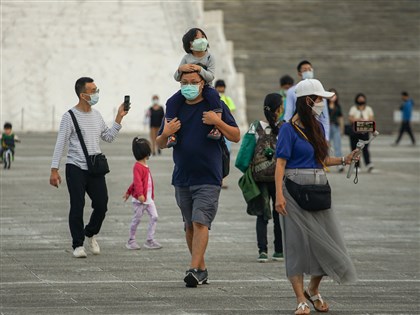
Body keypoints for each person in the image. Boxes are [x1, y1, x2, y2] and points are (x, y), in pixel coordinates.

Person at [275, 79, 357, 315]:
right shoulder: (288, 129)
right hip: (294, 190)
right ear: (308, 101)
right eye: (319, 99)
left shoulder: (318, 127)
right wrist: (279, 195)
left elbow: (321, 160)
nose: (322, 103)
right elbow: (280, 164)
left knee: (328, 243)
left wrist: (345, 159)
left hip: (319, 188)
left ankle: (313, 288)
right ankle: (300, 298)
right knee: (296, 245)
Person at [156, 70, 240, 288]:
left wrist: (217, 122)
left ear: (203, 84)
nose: (189, 86)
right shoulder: (175, 107)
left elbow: (235, 135)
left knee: (200, 221)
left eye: (194, 82)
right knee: (189, 225)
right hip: (182, 176)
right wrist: (166, 133)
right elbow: (160, 143)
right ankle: (201, 269)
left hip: (209, 176)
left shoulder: (215, 106)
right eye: (185, 82)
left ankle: (193, 269)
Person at [50, 77, 128, 258]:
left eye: (96, 89)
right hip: (75, 167)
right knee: (77, 205)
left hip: (95, 168)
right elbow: (60, 144)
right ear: (82, 95)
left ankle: (90, 233)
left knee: (102, 205)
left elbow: (108, 137)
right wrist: (54, 169)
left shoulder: (97, 115)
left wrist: (119, 117)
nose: (96, 93)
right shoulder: (69, 117)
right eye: (93, 91)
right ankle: (77, 244)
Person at [236, 93, 284, 262]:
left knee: (262, 215)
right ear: (279, 109)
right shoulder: (285, 127)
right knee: (280, 213)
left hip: (260, 178)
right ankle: (279, 250)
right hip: (279, 178)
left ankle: (262, 251)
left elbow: (243, 156)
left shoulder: (255, 127)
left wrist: (250, 171)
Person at [166, 28, 223, 147]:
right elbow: (177, 77)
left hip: (205, 87)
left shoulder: (210, 58)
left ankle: (216, 127)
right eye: (197, 38)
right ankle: (172, 134)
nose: (201, 40)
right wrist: (180, 69)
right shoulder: (186, 58)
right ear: (190, 44)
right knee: (171, 102)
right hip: (188, 87)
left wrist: (200, 69)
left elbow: (211, 77)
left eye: (202, 37)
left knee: (214, 96)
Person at [124, 137, 162, 250]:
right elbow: (137, 182)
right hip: (140, 200)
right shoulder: (138, 166)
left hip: (149, 199)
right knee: (137, 219)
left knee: (154, 216)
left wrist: (128, 191)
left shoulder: (145, 166)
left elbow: (137, 182)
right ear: (146, 152)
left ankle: (150, 240)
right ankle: (131, 240)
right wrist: (138, 194)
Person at [284, 60, 330, 140]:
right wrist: (288, 130)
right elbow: (288, 113)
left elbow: (324, 118)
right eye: (305, 70)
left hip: (316, 131)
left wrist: (326, 138)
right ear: (299, 73)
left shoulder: (320, 90)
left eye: (310, 69)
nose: (308, 71)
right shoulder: (292, 91)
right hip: (298, 129)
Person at [348, 93, 375, 172]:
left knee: (366, 148)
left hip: (365, 131)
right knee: (355, 149)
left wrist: (364, 121)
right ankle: (356, 165)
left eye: (362, 99)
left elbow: (371, 119)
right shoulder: (353, 108)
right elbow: (350, 118)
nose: (361, 100)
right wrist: (359, 120)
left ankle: (368, 164)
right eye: (359, 99)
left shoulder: (368, 109)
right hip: (355, 132)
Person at [327, 88, 345, 172]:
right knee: (326, 146)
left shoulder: (338, 106)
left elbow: (340, 118)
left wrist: (342, 129)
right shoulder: (325, 106)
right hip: (327, 127)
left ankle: (339, 165)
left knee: (337, 146)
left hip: (335, 127)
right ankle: (326, 163)